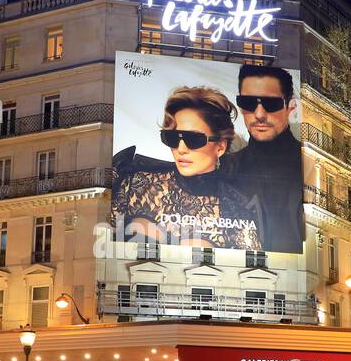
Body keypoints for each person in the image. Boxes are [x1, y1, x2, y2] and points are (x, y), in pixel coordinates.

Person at [112, 86, 266, 250]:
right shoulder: (136, 183)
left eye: (193, 139)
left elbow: (255, 270)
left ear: (220, 147)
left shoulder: (237, 211)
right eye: (172, 138)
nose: (181, 148)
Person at [223, 64, 304, 253]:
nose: (259, 114)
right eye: (249, 103)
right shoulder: (226, 168)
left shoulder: (310, 165)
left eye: (271, 104)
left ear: (290, 107)